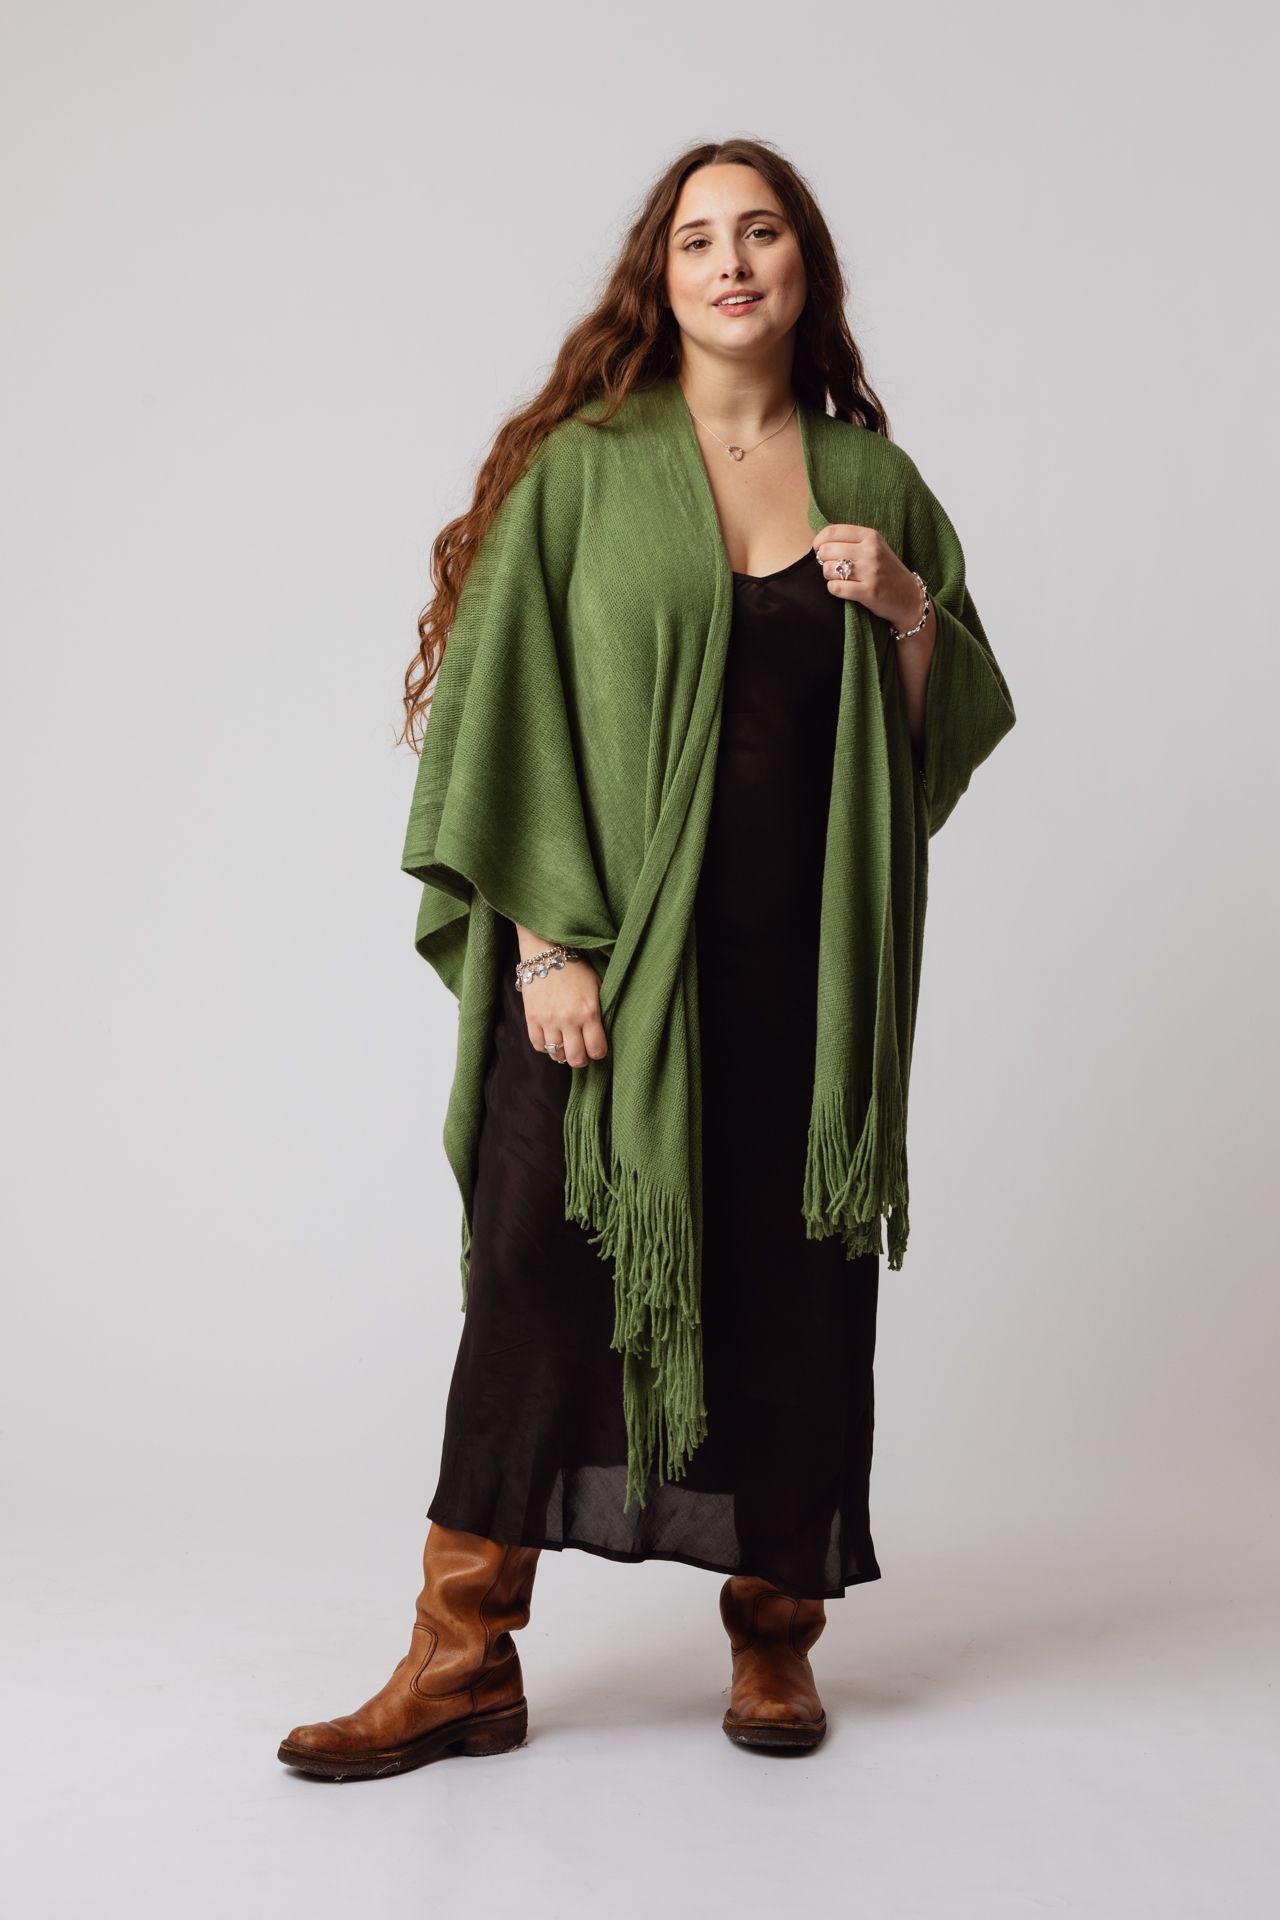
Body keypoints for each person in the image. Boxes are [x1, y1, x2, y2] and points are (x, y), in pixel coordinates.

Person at [277, 136, 1016, 1779]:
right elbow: (506, 710)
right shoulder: (587, 471)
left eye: (762, 232)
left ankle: (776, 1639)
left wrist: (906, 606)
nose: (732, 262)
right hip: (606, 972)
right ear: (661, 277)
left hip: (803, 977)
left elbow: (924, 754)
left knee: (795, 1295)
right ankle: (461, 1655)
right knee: (535, 1282)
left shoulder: (874, 485)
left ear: (806, 265)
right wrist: (545, 946)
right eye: (699, 239)